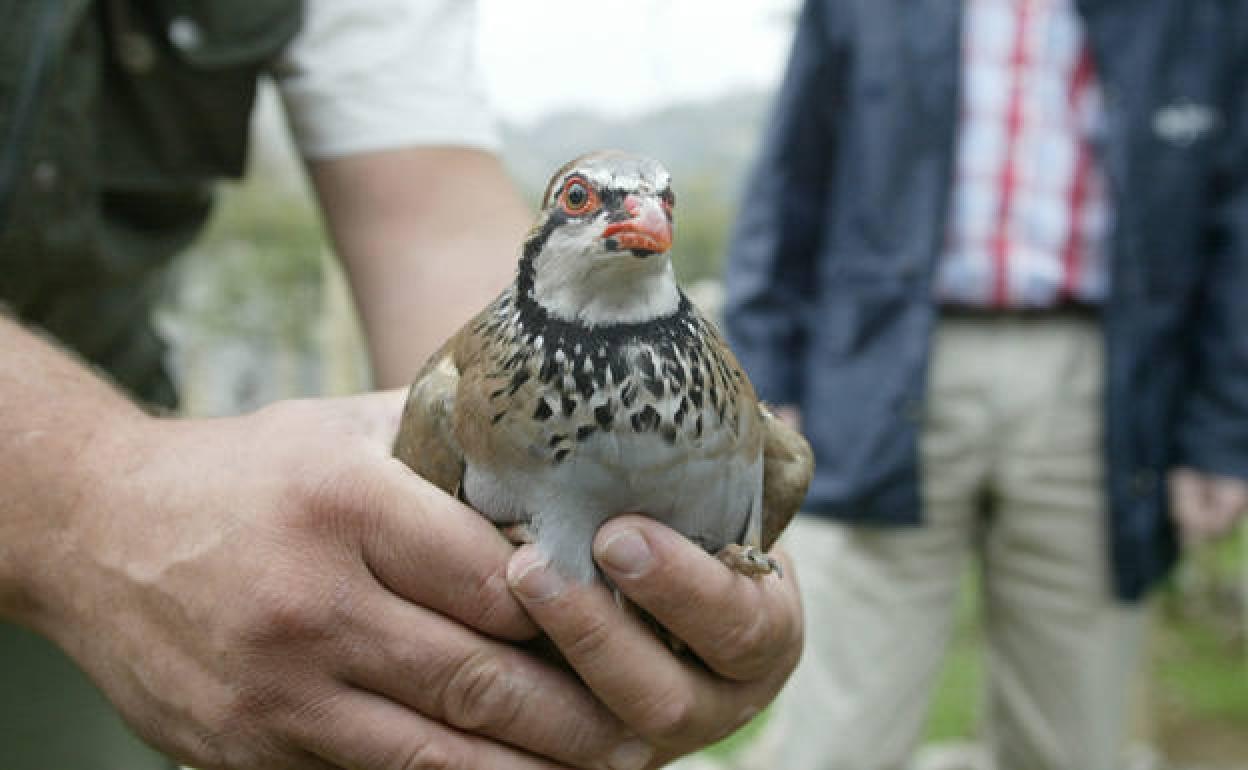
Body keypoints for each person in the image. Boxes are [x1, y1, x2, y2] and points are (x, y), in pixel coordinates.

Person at [0, 2, 804, 769]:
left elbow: (429, 214)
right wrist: (97, 503)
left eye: (655, 203)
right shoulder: (466, 395)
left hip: (105, 374)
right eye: (589, 202)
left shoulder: (731, 403)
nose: (637, 218)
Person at [722, 1, 1248, 768]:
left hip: (1105, 387)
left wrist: (1223, 432)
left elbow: (1235, 210)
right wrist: (767, 379)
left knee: (1073, 736)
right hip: (878, 369)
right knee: (838, 732)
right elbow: (789, 179)